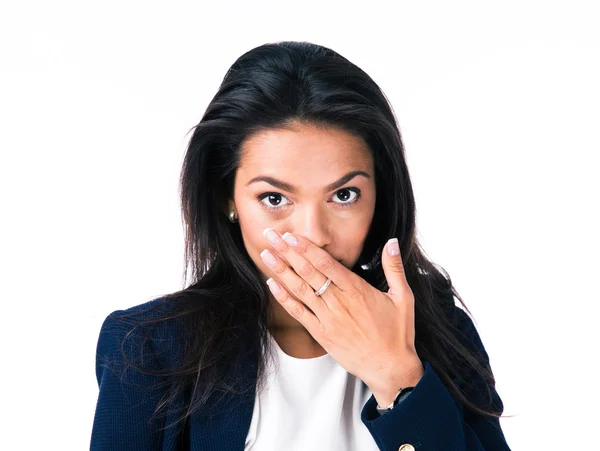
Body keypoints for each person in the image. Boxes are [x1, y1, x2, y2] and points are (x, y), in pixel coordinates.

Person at [90, 41, 511, 450]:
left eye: (344, 195)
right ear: (227, 199)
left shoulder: (440, 330)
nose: (313, 235)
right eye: (274, 199)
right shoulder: (146, 349)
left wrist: (397, 377)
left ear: (380, 195)